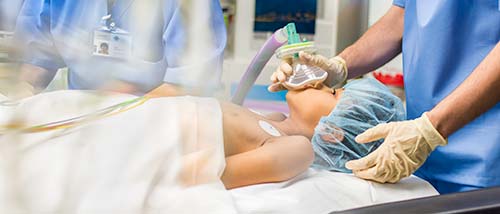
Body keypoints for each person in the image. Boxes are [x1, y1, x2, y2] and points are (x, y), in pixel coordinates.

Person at [270, 1, 500, 193]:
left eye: (334, 91)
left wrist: (431, 128)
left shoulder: (290, 151)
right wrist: (340, 66)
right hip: (417, 162)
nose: (320, 85)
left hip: (483, 161)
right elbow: (402, 16)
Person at [150, 78, 405, 189]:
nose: (320, 83)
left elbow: (212, 173)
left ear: (334, 133)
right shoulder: (273, 120)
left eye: (333, 92)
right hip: (144, 117)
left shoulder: (298, 149)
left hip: (154, 143)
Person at [14, 0, 226, 96]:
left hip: (160, 124)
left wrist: (107, 118)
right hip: (80, 123)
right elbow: (35, 63)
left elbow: (188, 86)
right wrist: (22, 93)